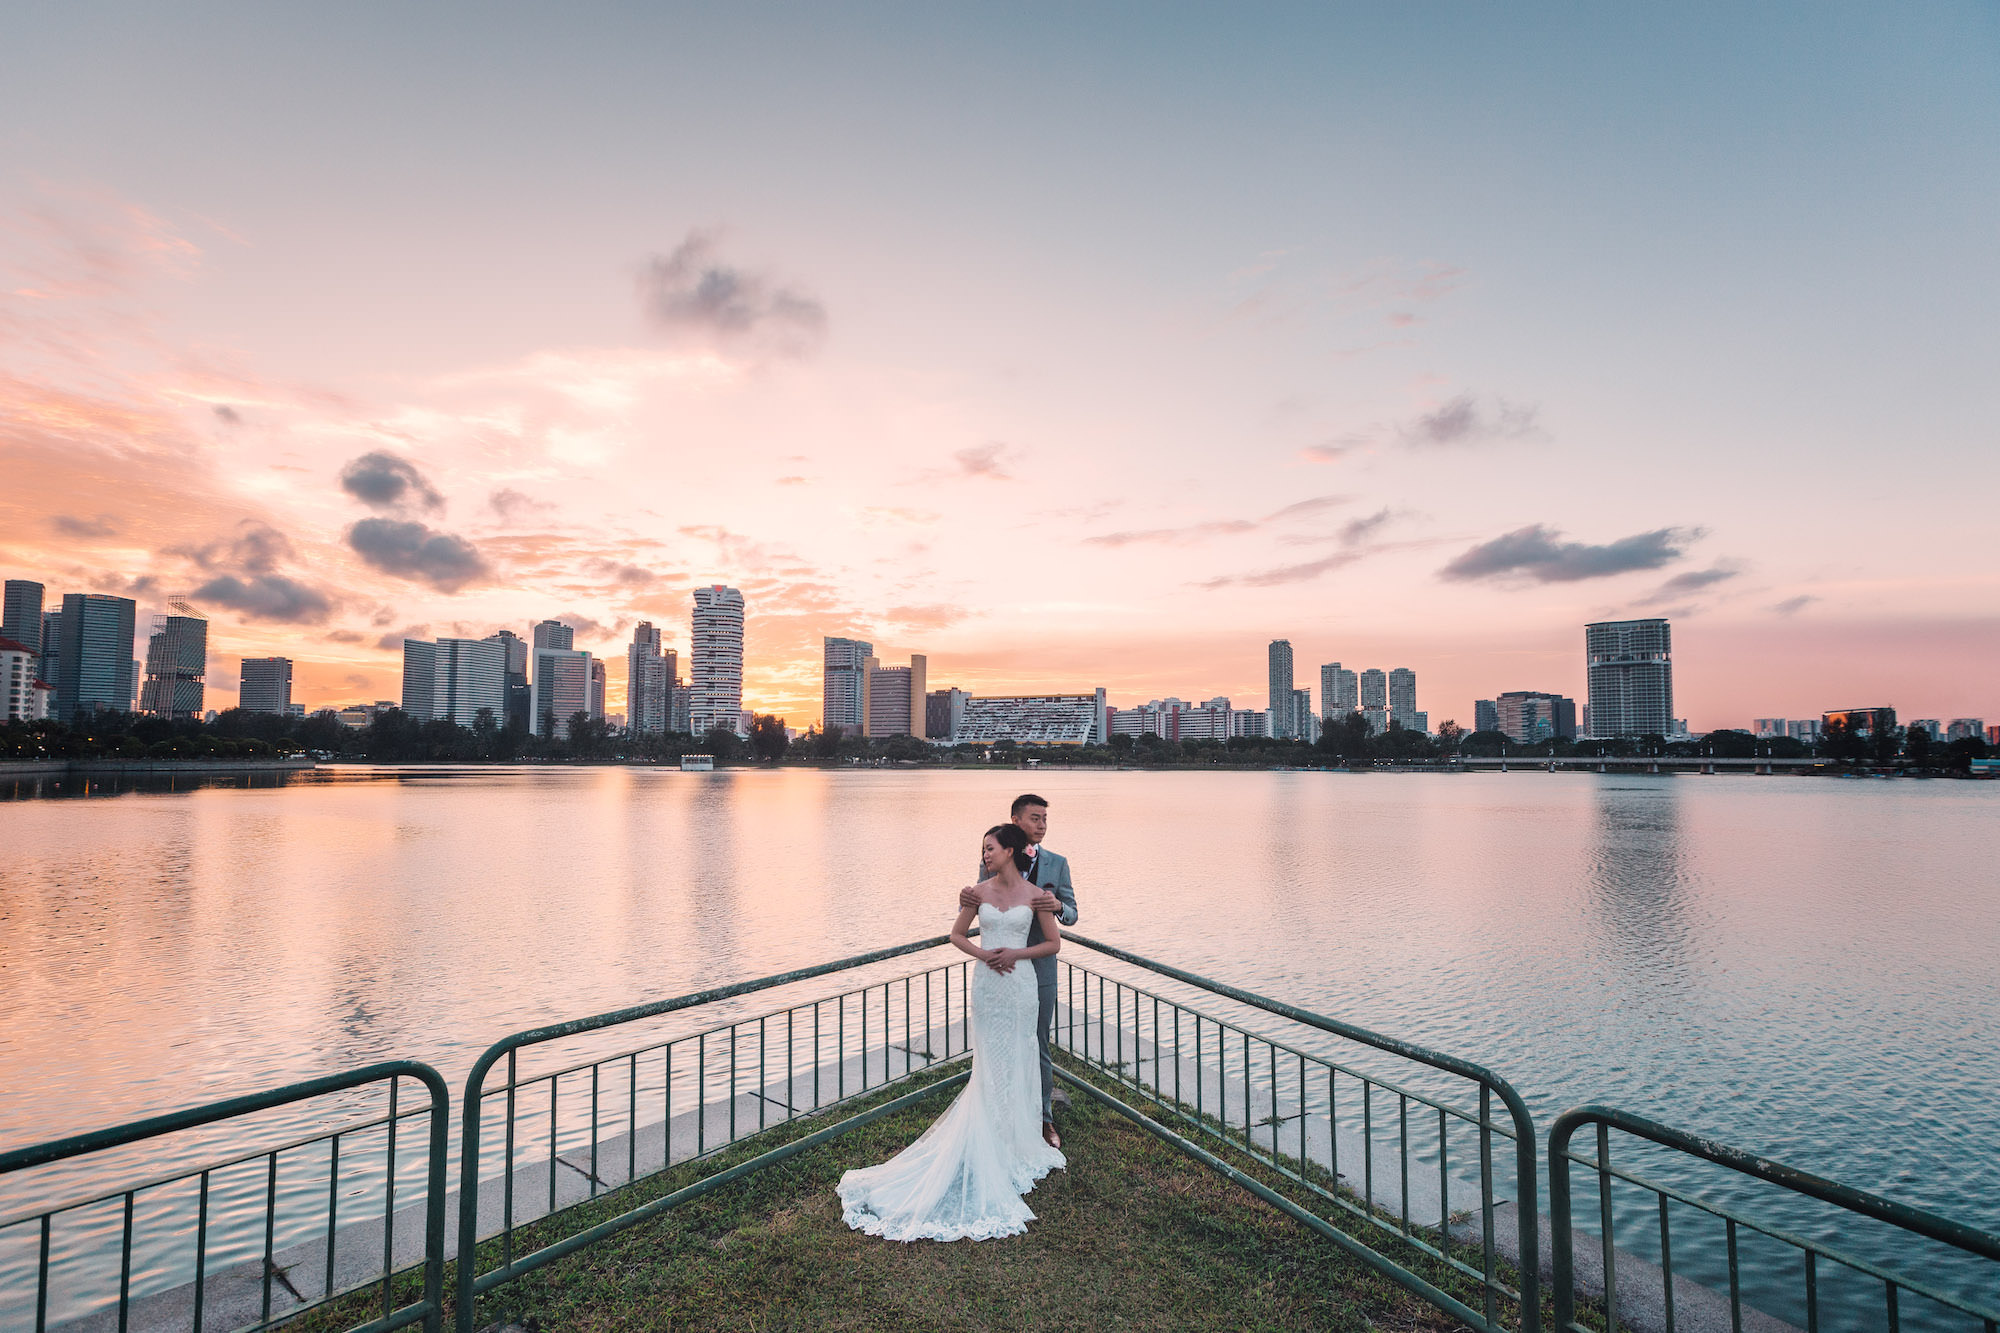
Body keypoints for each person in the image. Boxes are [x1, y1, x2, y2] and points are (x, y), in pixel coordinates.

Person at [836, 824, 1067, 1241]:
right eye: (983, 850)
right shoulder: (976, 893)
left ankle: (1016, 1142)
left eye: (990, 849)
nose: (985, 856)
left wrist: (1015, 952)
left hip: (1021, 987)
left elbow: (1053, 944)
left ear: (1011, 850)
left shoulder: (1037, 897)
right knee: (990, 1064)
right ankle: (988, 1142)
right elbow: (956, 935)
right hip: (988, 986)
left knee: (1020, 1057)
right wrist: (985, 954)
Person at [961, 793, 1077, 1147]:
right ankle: (998, 1115)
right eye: (1034, 818)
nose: (1041, 825)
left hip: (1037, 972)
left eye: (1045, 818)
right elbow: (985, 903)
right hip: (995, 972)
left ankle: (1043, 1119)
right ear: (1016, 821)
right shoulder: (994, 857)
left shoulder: (1057, 863)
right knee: (996, 1043)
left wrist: (1057, 905)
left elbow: (1072, 912)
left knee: (1036, 1043)